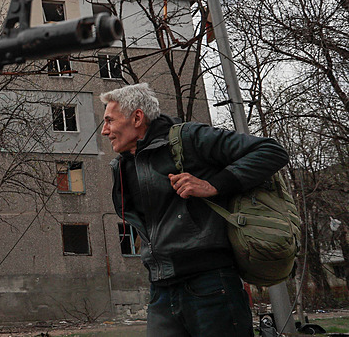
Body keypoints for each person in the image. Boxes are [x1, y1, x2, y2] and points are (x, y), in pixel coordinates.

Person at [100, 83, 289, 337]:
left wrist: (213, 185)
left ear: (137, 117)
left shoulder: (188, 138)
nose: (105, 131)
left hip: (211, 286)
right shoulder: (124, 166)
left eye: (109, 121)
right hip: (160, 289)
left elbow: (271, 151)